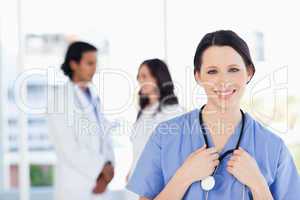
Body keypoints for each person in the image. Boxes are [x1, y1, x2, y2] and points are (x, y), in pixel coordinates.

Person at [127, 30, 300, 200]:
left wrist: (258, 185)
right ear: (198, 76)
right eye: (212, 71)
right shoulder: (164, 136)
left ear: (249, 72)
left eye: (233, 69)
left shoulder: (273, 148)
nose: (223, 81)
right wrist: (183, 178)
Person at [47, 41, 115, 200]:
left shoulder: (93, 96)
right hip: (77, 185)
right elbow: (68, 147)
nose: (94, 68)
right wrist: (100, 169)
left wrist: (108, 170)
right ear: (74, 64)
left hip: (101, 184)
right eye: (89, 63)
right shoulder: (59, 100)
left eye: (96, 63)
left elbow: (105, 137)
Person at [126, 59, 184, 199]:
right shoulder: (144, 110)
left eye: (145, 76)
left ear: (158, 77)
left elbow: (172, 157)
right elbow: (139, 148)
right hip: (138, 184)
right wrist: (131, 172)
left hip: (157, 187)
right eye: (139, 77)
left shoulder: (173, 111)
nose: (140, 80)